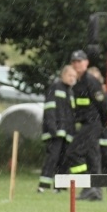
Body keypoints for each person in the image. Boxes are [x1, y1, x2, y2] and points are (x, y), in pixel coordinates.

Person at [63, 50, 107, 201]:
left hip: (93, 123)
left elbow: (102, 104)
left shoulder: (90, 81)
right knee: (93, 157)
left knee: (73, 153)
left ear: (86, 63)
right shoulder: (75, 83)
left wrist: (104, 123)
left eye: (80, 61)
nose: (77, 64)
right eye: (74, 61)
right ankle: (96, 191)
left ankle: (87, 185)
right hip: (85, 124)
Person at [38, 64, 76, 192]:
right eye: (70, 75)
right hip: (55, 132)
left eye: (74, 76)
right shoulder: (55, 87)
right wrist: (52, 128)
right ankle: (43, 186)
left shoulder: (71, 92)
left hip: (67, 133)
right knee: (52, 158)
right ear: (63, 75)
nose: (72, 78)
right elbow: (50, 109)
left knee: (64, 160)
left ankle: (59, 187)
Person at [88, 66, 107, 194]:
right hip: (92, 130)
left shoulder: (106, 95)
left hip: (104, 131)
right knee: (95, 160)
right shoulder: (85, 92)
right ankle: (96, 187)